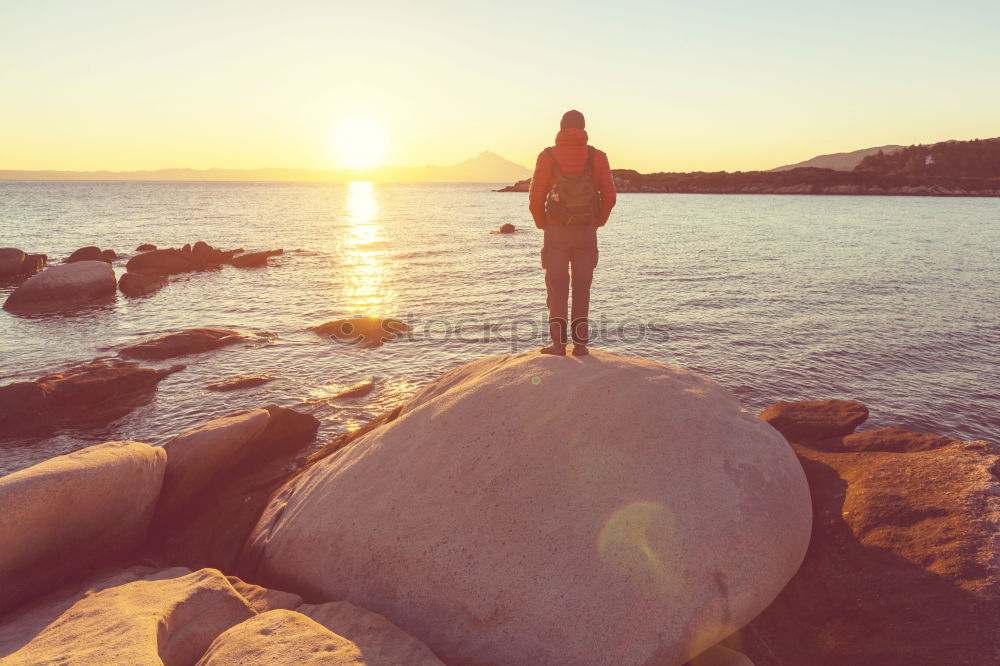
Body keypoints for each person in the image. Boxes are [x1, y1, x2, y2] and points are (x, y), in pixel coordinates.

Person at [529, 109, 616, 356]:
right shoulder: (597, 156)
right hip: (586, 232)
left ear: (561, 128)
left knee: (556, 288)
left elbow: (535, 198)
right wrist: (596, 222)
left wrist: (542, 223)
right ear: (584, 128)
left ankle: (558, 345)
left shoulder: (547, 156)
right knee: (582, 288)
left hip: (556, 231)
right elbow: (609, 196)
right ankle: (580, 345)